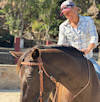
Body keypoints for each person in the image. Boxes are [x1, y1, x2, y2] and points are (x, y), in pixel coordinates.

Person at [57, 0, 100, 79]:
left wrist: (88, 49)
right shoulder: (62, 27)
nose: (67, 15)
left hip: (88, 59)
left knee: (99, 75)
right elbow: (61, 45)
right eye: (65, 14)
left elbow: (94, 37)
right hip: (71, 61)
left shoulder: (88, 21)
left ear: (76, 9)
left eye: (69, 12)